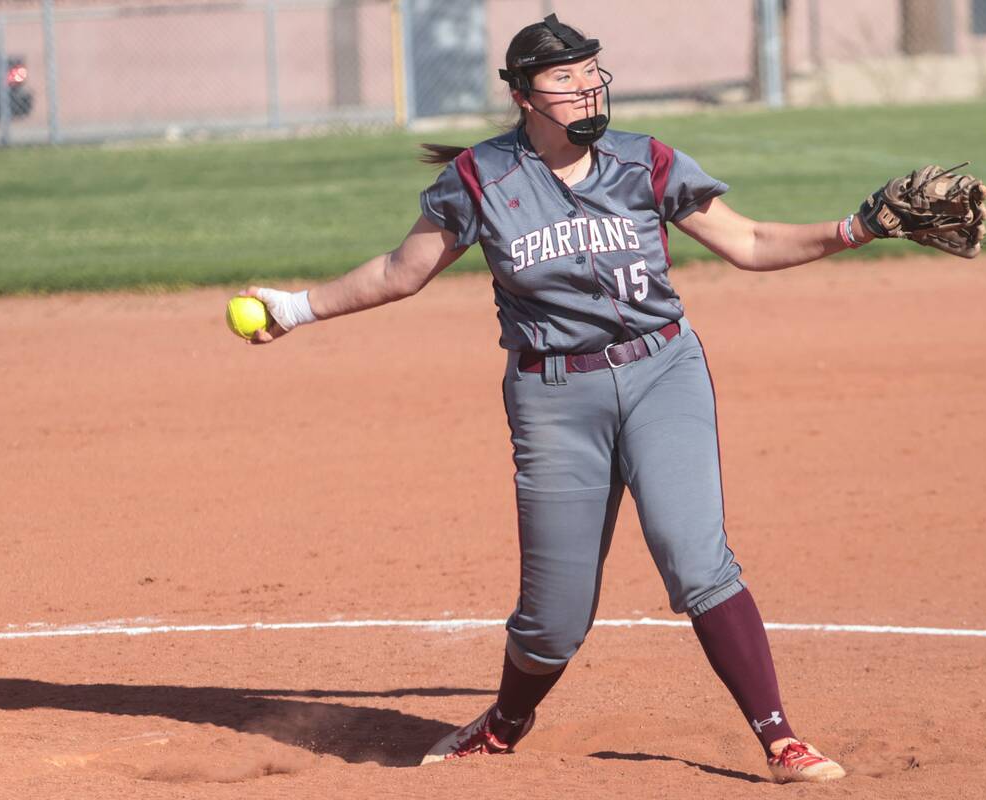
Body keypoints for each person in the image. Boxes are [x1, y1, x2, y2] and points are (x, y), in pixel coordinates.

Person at [241, 14, 881, 784]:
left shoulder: (645, 162)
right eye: (564, 77)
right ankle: (504, 723)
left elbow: (748, 243)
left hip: (662, 373)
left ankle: (781, 739)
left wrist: (859, 226)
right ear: (522, 95)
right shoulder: (481, 179)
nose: (585, 88)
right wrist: (294, 308)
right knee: (554, 618)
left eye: (591, 71)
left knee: (695, 558)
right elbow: (399, 272)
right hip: (553, 396)